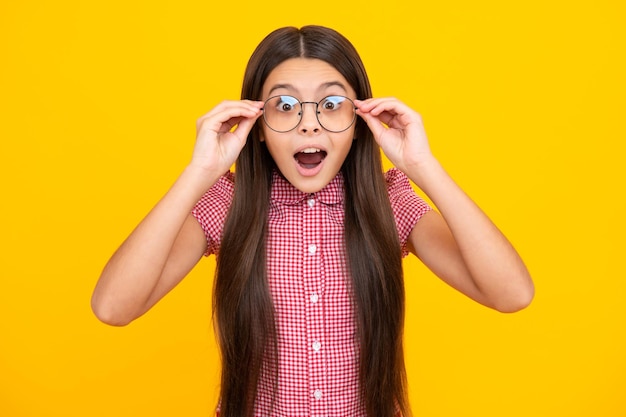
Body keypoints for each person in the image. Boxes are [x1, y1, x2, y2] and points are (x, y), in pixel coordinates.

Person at [91, 25, 533, 417]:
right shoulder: (229, 205)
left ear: (359, 122)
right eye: (284, 105)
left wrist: (422, 165)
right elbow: (113, 308)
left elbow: (511, 294)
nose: (308, 125)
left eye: (331, 103)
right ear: (256, 125)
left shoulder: (388, 203)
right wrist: (199, 173)